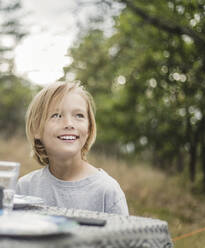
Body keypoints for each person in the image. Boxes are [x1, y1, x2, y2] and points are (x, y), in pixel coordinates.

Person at [16, 81, 129, 215]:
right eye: (56, 115)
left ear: (89, 129)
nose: (69, 124)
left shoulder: (107, 191)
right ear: (36, 129)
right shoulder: (25, 187)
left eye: (79, 115)